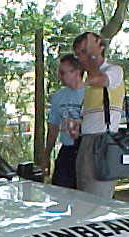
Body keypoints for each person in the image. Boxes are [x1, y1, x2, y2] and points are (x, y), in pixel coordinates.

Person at [72, 31, 125, 198]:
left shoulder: (114, 71)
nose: (82, 57)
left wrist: (93, 55)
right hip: (86, 142)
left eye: (85, 51)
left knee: (98, 201)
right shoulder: (88, 80)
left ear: (100, 48)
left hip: (103, 143)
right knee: (84, 197)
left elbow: (100, 79)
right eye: (79, 54)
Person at [42, 54, 85, 189]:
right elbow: (53, 127)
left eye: (63, 73)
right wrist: (46, 155)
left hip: (86, 151)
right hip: (66, 150)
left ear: (76, 72)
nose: (59, 76)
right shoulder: (58, 97)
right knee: (59, 192)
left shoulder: (91, 94)